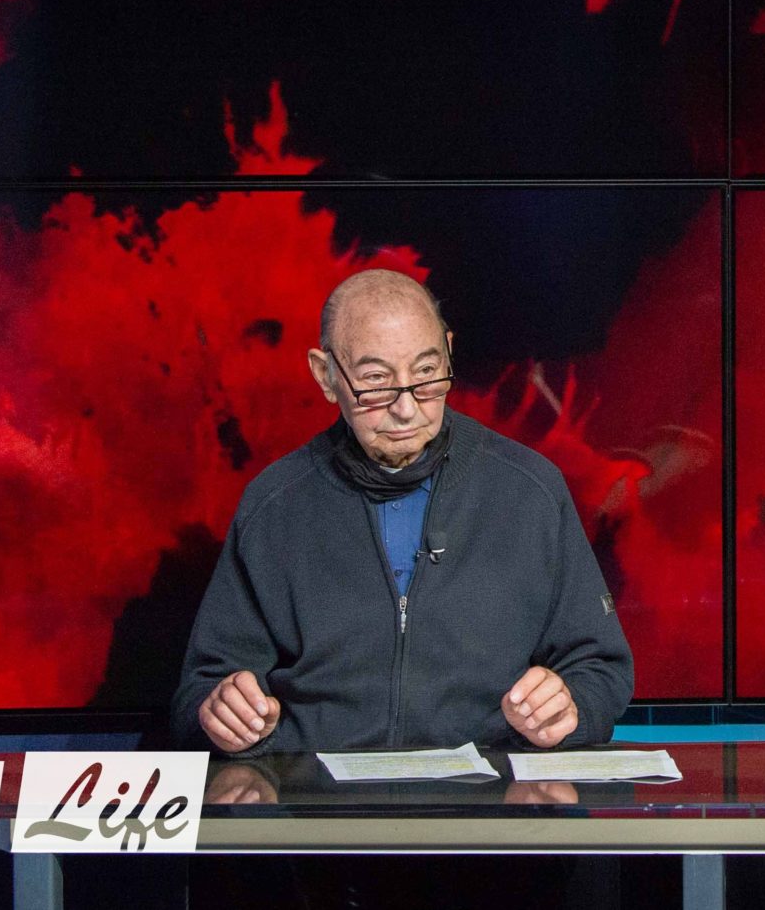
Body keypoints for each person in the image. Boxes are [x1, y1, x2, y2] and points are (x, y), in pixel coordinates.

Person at [173, 268, 634, 754]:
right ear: (326, 375)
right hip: (313, 792)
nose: (407, 409)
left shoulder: (530, 490)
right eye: (376, 381)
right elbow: (200, 692)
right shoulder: (273, 504)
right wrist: (222, 714)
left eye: (427, 374)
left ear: (449, 353)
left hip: (491, 792)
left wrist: (571, 708)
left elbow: (600, 671)